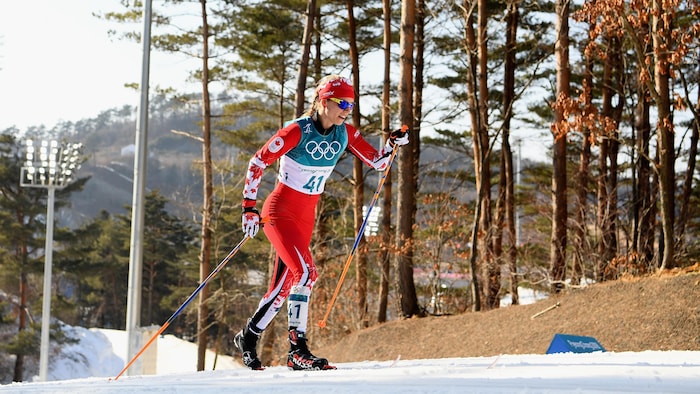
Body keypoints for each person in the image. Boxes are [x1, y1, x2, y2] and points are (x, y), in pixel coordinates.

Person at [233, 75, 409, 371]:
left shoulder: (345, 134)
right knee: (306, 273)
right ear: (323, 101)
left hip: (305, 216)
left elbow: (378, 163)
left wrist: (392, 144)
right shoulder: (296, 131)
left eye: (351, 105)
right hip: (280, 211)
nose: (346, 110)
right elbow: (257, 161)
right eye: (341, 103)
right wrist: (248, 208)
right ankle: (297, 350)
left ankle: (248, 337)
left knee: (284, 285)